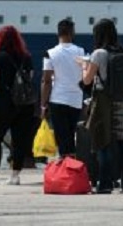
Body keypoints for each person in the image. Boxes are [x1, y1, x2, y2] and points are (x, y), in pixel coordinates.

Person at [81, 18, 123, 194]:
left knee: (102, 142)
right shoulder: (122, 51)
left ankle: (105, 184)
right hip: (122, 101)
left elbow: (87, 80)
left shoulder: (99, 53)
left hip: (103, 102)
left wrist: (84, 65)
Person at [0, 25, 36, 186]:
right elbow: (30, 78)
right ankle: (15, 176)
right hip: (25, 103)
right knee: (19, 139)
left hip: (5, 101)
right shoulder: (26, 57)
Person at [40, 18, 86, 157]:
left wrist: (43, 105)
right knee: (71, 135)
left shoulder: (50, 53)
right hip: (76, 100)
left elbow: (46, 81)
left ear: (58, 33)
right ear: (72, 33)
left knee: (61, 138)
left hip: (58, 100)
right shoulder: (81, 51)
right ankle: (71, 166)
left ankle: (66, 168)